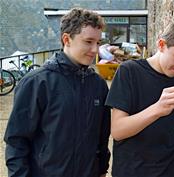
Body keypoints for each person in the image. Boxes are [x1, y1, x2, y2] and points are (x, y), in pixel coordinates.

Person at [4, 8, 111, 177]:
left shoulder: (99, 85)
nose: (95, 50)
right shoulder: (36, 83)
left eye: (98, 42)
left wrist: (102, 170)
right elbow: (17, 141)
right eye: (88, 41)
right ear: (66, 39)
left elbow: (102, 138)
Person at [105, 20, 174, 177]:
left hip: (170, 170)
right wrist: (158, 109)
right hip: (132, 170)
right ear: (162, 45)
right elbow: (118, 131)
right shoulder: (129, 72)